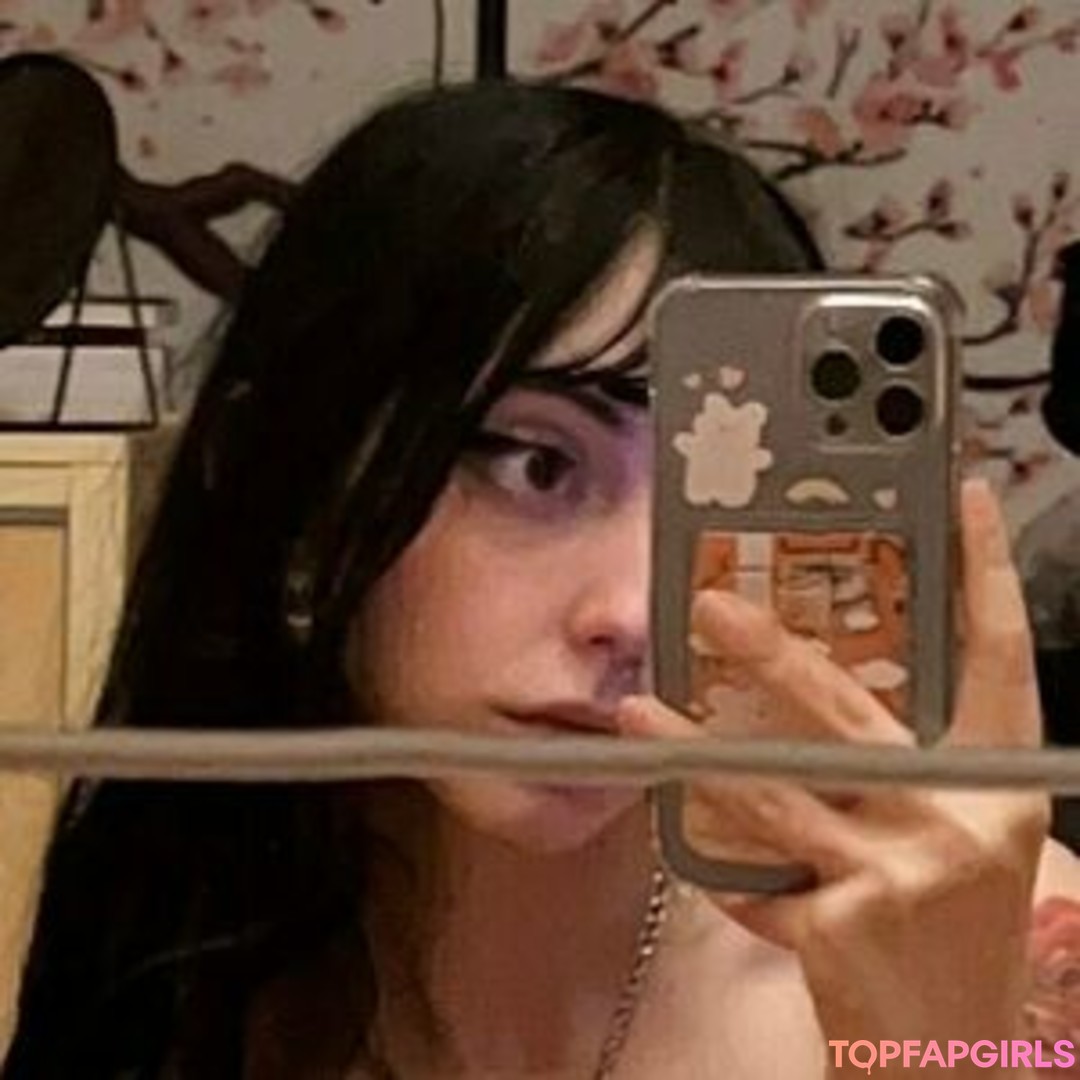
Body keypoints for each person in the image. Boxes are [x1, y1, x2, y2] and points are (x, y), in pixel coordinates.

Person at [1, 79, 1074, 1079]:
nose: (633, 614)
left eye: (709, 512)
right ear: (298, 493)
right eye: (539, 467)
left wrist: (948, 1048)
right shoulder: (186, 943)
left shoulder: (1022, 954)